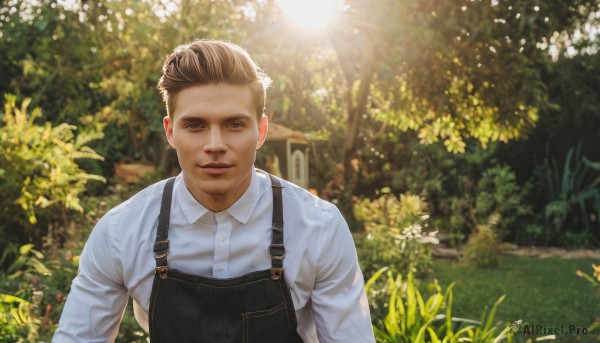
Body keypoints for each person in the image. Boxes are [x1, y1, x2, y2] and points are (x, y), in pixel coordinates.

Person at [53, 39, 374, 343]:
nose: (215, 145)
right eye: (195, 125)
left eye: (234, 124)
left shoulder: (319, 228)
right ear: (171, 132)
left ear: (260, 131)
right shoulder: (120, 233)